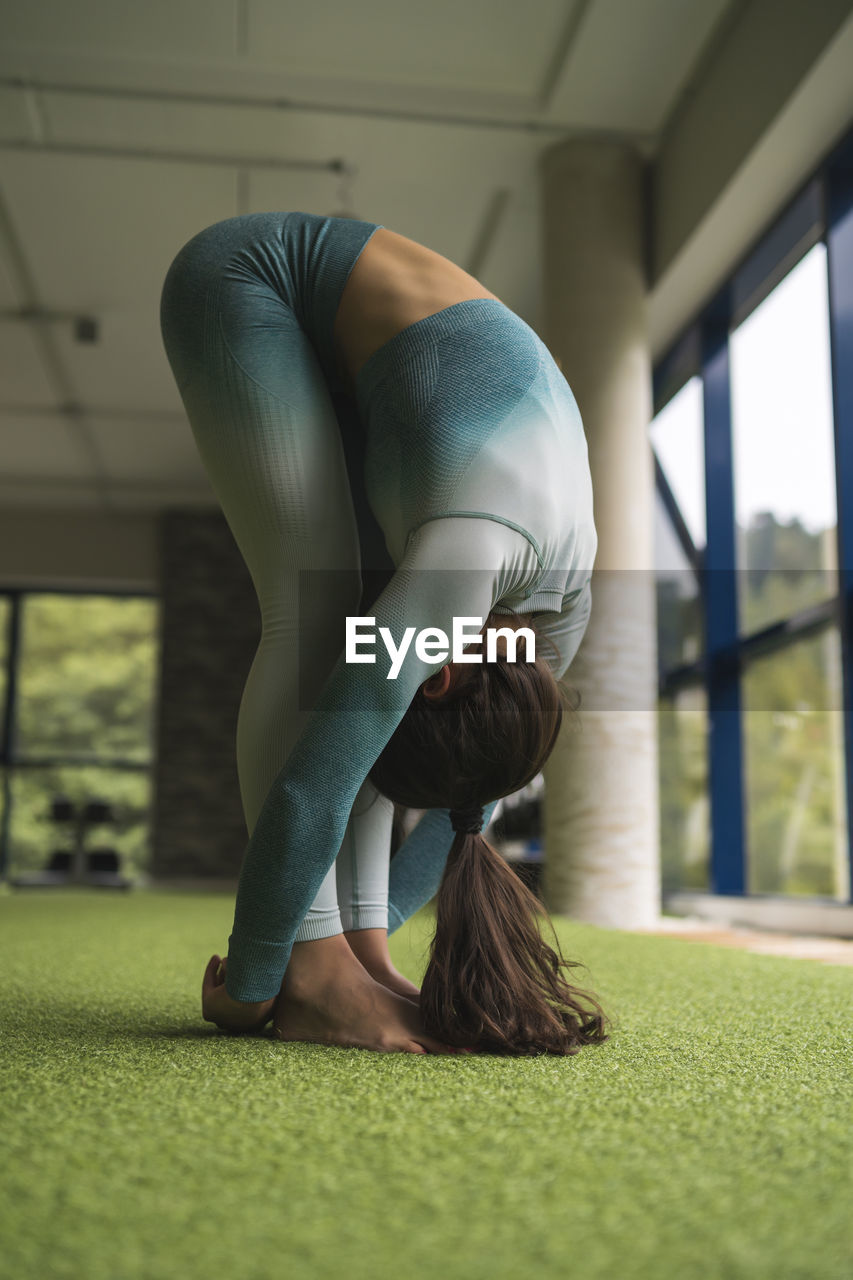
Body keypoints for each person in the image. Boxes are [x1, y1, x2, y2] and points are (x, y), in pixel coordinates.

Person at [160, 212, 608, 1056]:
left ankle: (355, 949)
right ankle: (314, 969)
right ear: (433, 676)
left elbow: (470, 807)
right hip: (258, 279)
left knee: (359, 693)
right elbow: (313, 786)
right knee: (317, 628)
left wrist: (382, 931)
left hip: (397, 380)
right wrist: (255, 981)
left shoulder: (538, 647)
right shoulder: (463, 566)